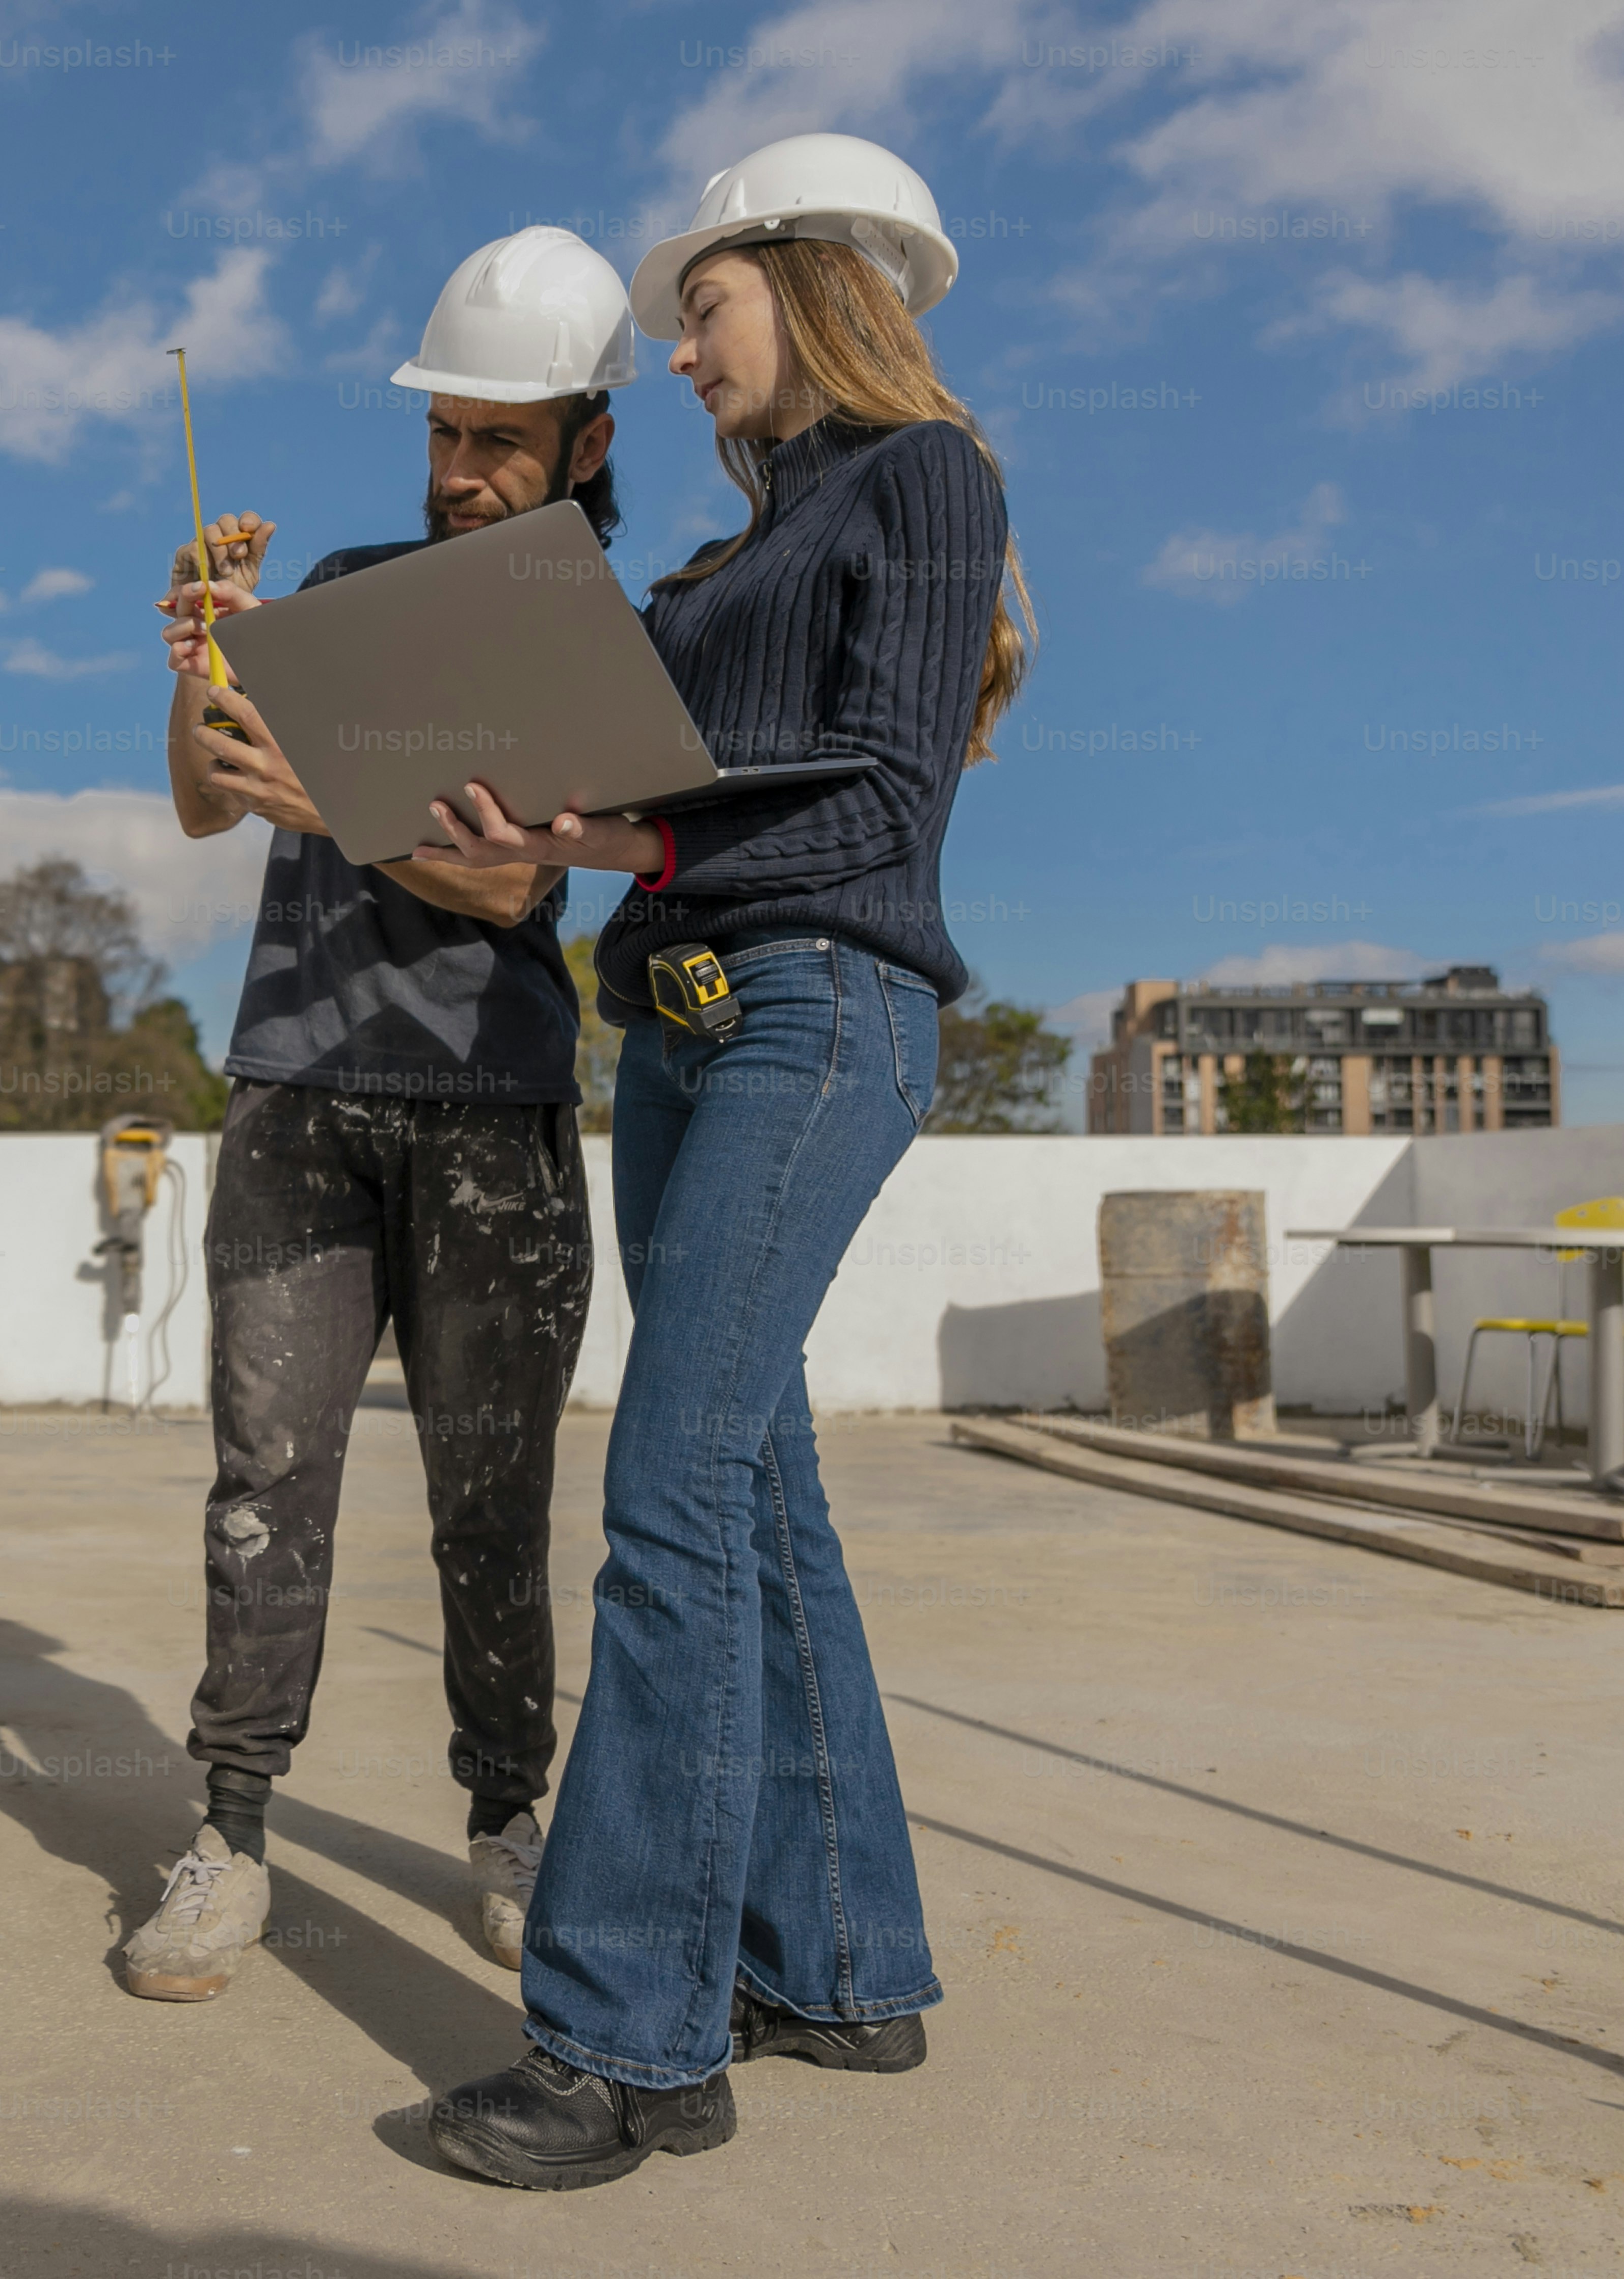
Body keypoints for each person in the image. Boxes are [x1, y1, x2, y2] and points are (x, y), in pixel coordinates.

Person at [392, 133, 1033, 2188]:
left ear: (820, 279)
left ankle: (625, 2037)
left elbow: (876, 797)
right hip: (670, 1028)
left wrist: (607, 835)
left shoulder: (925, 479)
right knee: (755, 1485)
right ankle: (842, 1962)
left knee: (665, 1492)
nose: (683, 352)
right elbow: (648, 789)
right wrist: (521, 806)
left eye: (705, 307)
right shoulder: (707, 566)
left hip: (813, 1006)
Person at [113, 227, 631, 2005]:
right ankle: (230, 1831)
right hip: (298, 1100)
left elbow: (507, 899)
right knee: (264, 1486)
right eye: (443, 436)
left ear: (587, 442)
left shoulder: (595, 633)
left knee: (491, 1502)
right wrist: (199, 660)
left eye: (500, 439)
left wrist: (327, 800)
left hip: (490, 1107)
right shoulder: (342, 586)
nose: (462, 473)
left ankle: (508, 1824)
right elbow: (204, 804)